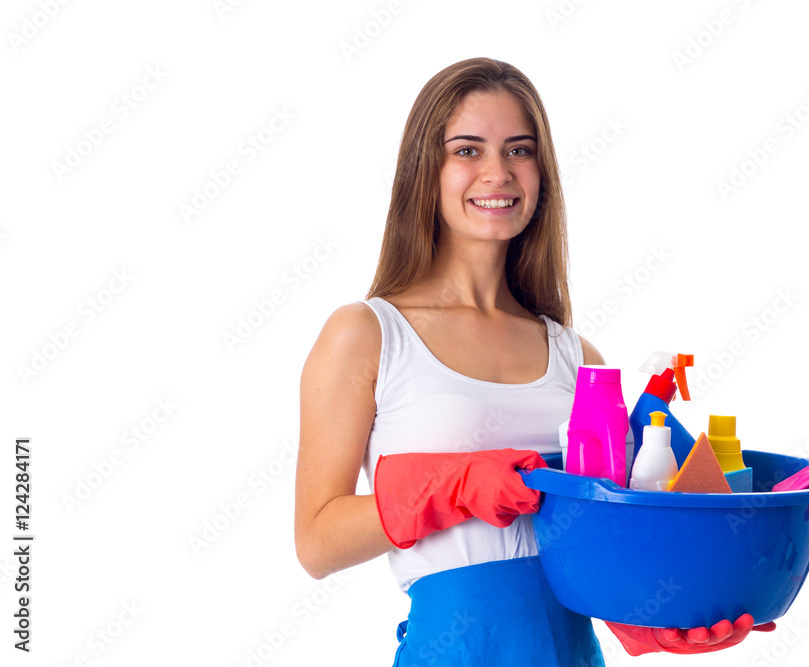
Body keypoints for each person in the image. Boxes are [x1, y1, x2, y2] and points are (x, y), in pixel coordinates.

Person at [294, 57, 773, 666]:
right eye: (468, 150)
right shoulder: (369, 335)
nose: (498, 173)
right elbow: (316, 540)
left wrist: (652, 618)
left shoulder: (578, 359)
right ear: (425, 169)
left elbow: (606, 544)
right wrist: (455, 486)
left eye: (519, 150)